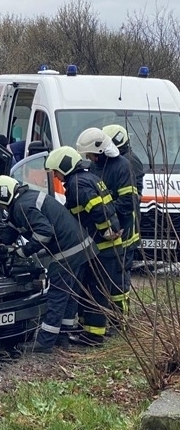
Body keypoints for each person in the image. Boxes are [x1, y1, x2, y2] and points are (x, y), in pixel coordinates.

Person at [0, 175, 96, 353]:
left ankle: (45, 342)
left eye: (0, 206)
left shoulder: (22, 206)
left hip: (67, 253)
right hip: (81, 249)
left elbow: (44, 233)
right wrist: (2, 244)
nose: (1, 209)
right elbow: (14, 227)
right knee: (69, 296)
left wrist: (22, 252)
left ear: (4, 197)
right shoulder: (25, 200)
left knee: (57, 297)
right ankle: (62, 336)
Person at [44, 145, 125, 345]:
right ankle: (90, 328)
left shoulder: (77, 183)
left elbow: (97, 209)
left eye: (56, 172)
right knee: (98, 287)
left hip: (102, 245)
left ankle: (93, 335)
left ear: (64, 167)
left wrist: (106, 230)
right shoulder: (88, 178)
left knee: (96, 289)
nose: (56, 177)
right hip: (105, 245)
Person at [76, 128, 134, 322]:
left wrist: (107, 213)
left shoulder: (122, 166)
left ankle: (119, 321)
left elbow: (129, 201)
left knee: (117, 280)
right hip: (101, 232)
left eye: (90, 154)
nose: (88, 158)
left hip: (121, 232)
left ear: (100, 151)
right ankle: (103, 318)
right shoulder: (95, 166)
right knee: (99, 279)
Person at [102, 123, 144, 287]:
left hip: (126, 223)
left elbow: (132, 197)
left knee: (121, 271)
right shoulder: (119, 160)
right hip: (121, 221)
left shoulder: (129, 161)